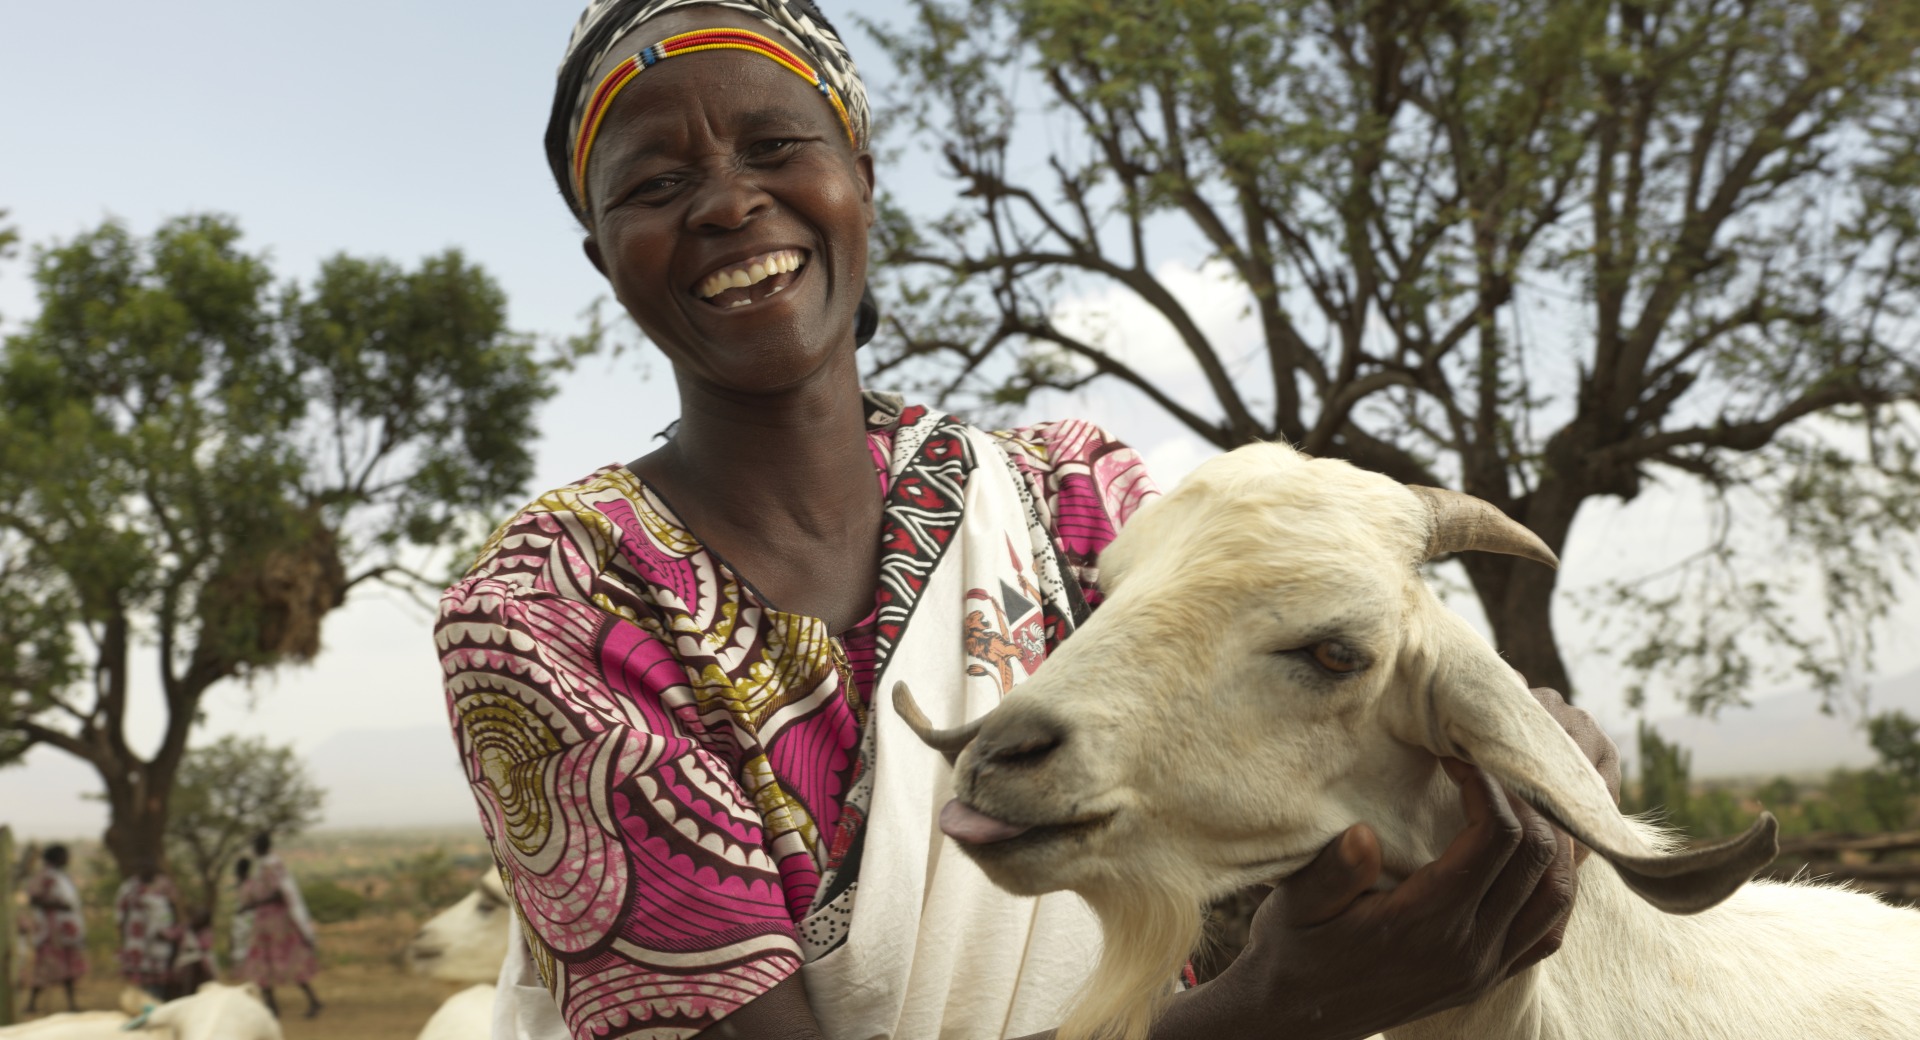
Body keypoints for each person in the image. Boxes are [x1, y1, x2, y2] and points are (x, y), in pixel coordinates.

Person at [435, 1, 1623, 1037]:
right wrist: (1269, 1015)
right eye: (656, 184)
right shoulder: (553, 606)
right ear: (604, 256)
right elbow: (1266, 984)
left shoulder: (1079, 499)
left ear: (858, 172)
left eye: (776, 145)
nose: (730, 202)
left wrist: (1504, 758)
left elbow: (1300, 781)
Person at [236, 833, 322, 1018]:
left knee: (282, 961)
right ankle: (272, 1006)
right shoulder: (268, 865)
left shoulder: (270, 866)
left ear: (261, 847)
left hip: (275, 922)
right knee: (264, 963)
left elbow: (279, 894)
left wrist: (254, 904)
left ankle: (310, 1001)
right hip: (268, 921)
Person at [24, 844, 88, 1013]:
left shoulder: (60, 876)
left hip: (65, 932)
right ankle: (31, 1004)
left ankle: (72, 1004)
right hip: (51, 932)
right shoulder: (45, 876)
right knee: (44, 967)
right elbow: (34, 899)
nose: (67, 859)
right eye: (64, 855)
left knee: (67, 968)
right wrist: (57, 905)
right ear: (56, 857)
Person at [114, 860, 181, 1000]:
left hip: (157, 943)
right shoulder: (129, 888)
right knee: (143, 981)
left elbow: (172, 906)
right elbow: (120, 914)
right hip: (138, 940)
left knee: (156, 981)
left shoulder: (161, 888)